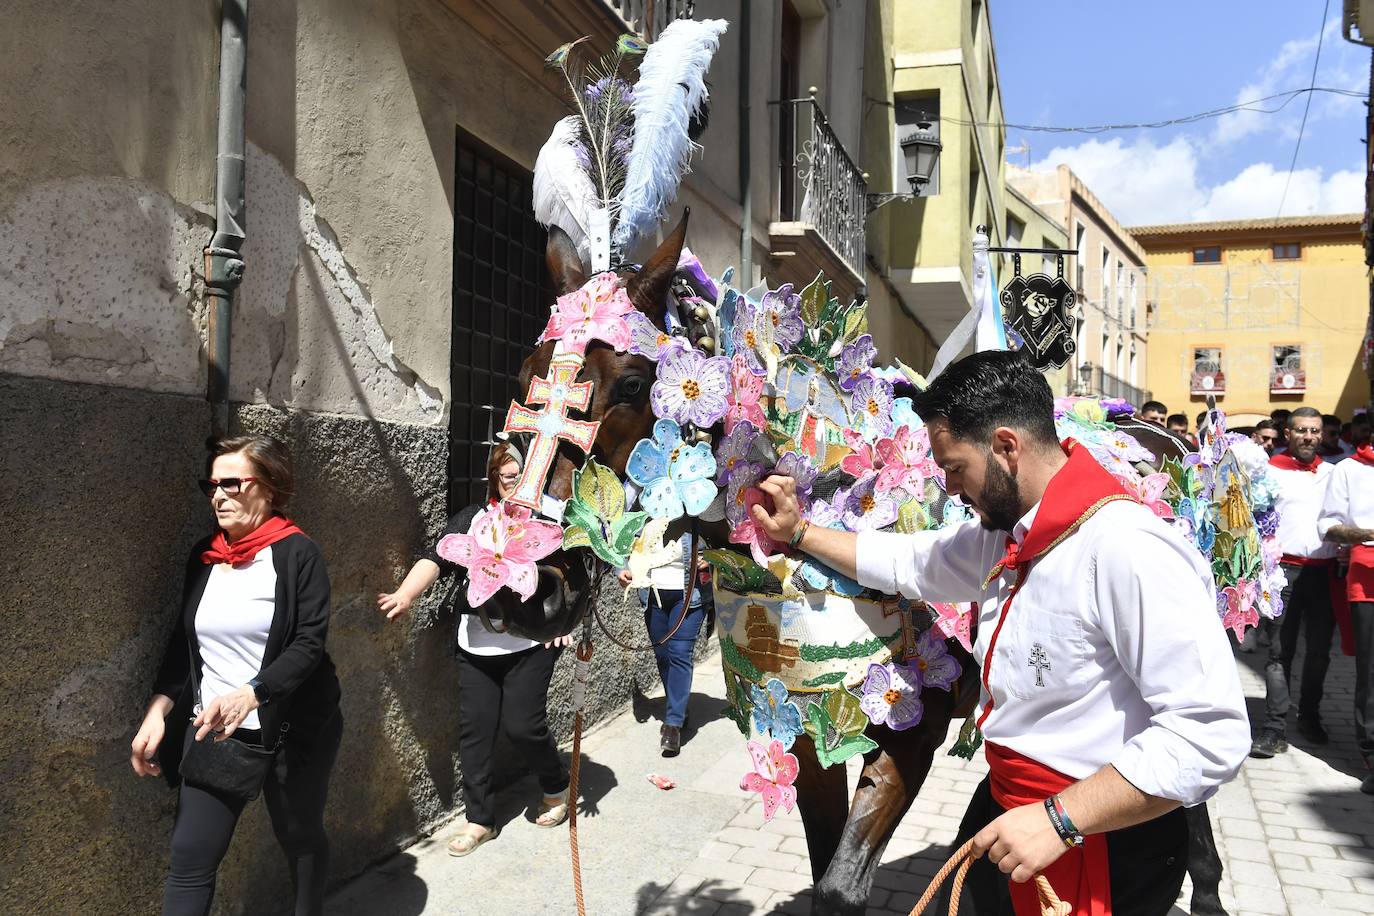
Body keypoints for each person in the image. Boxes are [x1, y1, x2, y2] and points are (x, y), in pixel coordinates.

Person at [750, 350, 1249, 916]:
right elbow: (910, 561)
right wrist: (801, 532)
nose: (951, 488)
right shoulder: (1009, 533)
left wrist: (1061, 820)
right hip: (1012, 806)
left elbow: (1211, 734)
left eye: (956, 468)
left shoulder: (1128, 548)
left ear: (1006, 448)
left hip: (1099, 835)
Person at [130, 435, 342, 916]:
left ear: (268, 488)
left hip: (291, 728)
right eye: (212, 484)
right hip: (216, 730)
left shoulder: (297, 555)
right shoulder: (205, 557)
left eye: (231, 483)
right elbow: (184, 648)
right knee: (190, 857)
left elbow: (308, 643)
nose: (217, 495)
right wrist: (159, 711)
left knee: (299, 834)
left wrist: (251, 695)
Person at [378, 443, 572, 855]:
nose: (512, 481)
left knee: (523, 725)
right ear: (493, 479)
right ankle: (479, 819)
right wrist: (405, 594)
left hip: (531, 643)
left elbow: (571, 580)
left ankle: (556, 785)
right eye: (505, 475)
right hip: (477, 643)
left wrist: (564, 624)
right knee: (475, 733)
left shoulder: (547, 523)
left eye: (519, 473)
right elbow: (438, 557)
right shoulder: (474, 520)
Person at [1250, 408, 1335, 758]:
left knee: (1318, 651)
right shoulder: (1270, 472)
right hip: (1283, 572)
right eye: (1302, 431)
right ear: (1288, 434)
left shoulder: (1333, 473)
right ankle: (1274, 728)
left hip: (1325, 572)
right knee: (1278, 652)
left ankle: (1310, 715)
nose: (1309, 437)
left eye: (1315, 431)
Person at [617, 531, 713, 756]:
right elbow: (622, 544)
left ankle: (672, 725)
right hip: (652, 595)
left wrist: (712, 558)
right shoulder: (643, 514)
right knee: (663, 655)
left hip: (689, 596)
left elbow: (726, 539)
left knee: (679, 652)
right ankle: (677, 705)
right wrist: (621, 569)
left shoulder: (698, 511)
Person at [1318, 421, 1374, 795]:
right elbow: (1330, 525)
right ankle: (1371, 755)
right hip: (1367, 576)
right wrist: (1368, 533)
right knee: (1370, 673)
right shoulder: (1348, 469)